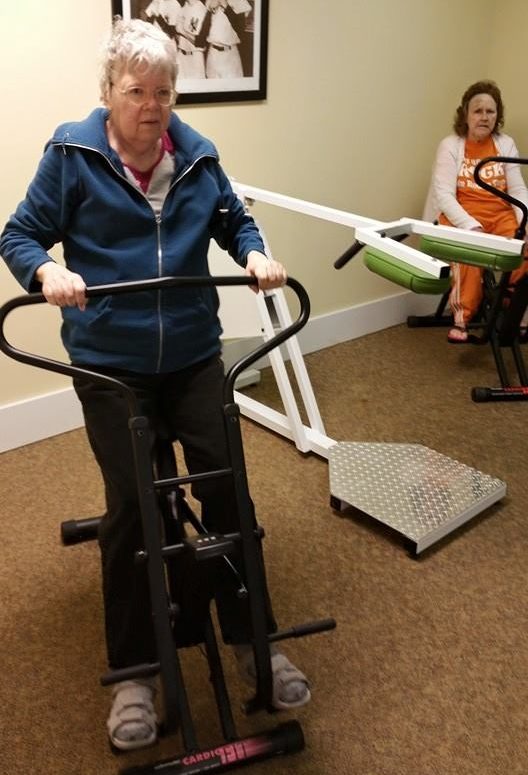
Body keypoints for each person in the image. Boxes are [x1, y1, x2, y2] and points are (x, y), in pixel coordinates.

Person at [0, 18, 310, 752]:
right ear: (109, 92)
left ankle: (253, 642)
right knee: (135, 507)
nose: (151, 105)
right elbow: (19, 234)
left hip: (195, 355)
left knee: (228, 485)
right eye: (136, 90)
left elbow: (236, 222)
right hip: (111, 362)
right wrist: (48, 272)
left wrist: (257, 251)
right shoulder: (72, 153)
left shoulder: (199, 157)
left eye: (163, 92)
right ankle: (136, 671)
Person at [424, 80, 528, 343]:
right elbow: (444, 195)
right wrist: (471, 226)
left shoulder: (505, 144)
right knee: (468, 249)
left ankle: (514, 309)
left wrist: (525, 223)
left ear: (498, 115)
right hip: (461, 213)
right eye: (478, 111)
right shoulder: (451, 145)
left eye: (490, 111)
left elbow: (517, 190)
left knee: (524, 247)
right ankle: (463, 317)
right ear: (466, 115)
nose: (484, 117)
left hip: (500, 213)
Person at [204, 0, 250, 80]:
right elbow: (204, 27)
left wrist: (225, 5)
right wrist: (210, 10)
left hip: (230, 54)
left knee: (232, 88)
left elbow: (240, 29)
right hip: (212, 52)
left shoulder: (240, 1)